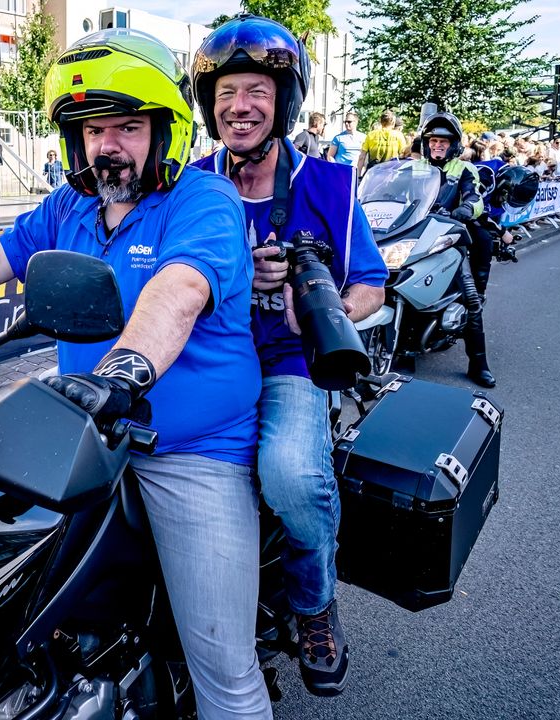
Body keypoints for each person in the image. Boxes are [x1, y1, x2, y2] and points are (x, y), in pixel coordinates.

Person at [0, 28, 270, 718]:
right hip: (78, 430)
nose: (105, 145)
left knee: (224, 669)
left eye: (124, 127)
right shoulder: (70, 206)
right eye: (89, 130)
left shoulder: (203, 202)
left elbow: (177, 291)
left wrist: (122, 373)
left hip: (184, 451)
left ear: (165, 130)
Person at [190, 14, 388, 698]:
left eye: (256, 91)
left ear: (283, 102)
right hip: (202, 360)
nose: (239, 106)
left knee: (293, 479)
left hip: (287, 363)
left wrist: (321, 305)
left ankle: (313, 602)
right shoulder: (188, 185)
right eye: (226, 93)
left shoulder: (330, 184)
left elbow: (369, 285)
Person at [413, 110, 496, 387]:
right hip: (415, 236)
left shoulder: (464, 169)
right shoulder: (415, 168)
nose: (437, 145)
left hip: (448, 236)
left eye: (443, 142)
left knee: (470, 298)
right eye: (433, 140)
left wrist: (463, 209)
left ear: (454, 145)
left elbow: (476, 200)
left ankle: (478, 363)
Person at [357, 109, 407, 176]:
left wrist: (358, 175)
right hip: (391, 173)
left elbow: (362, 157)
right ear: (393, 122)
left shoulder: (371, 134)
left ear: (381, 121)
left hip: (373, 173)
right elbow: (404, 155)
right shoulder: (398, 135)